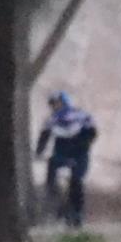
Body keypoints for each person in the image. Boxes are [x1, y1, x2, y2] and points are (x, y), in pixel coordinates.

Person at [33, 90, 97, 230]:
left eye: (57, 103)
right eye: (52, 104)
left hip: (80, 154)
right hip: (61, 153)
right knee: (51, 176)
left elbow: (91, 133)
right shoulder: (52, 119)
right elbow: (44, 136)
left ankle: (77, 214)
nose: (55, 106)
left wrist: (80, 148)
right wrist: (39, 152)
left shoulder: (81, 116)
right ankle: (59, 207)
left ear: (64, 102)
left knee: (76, 181)